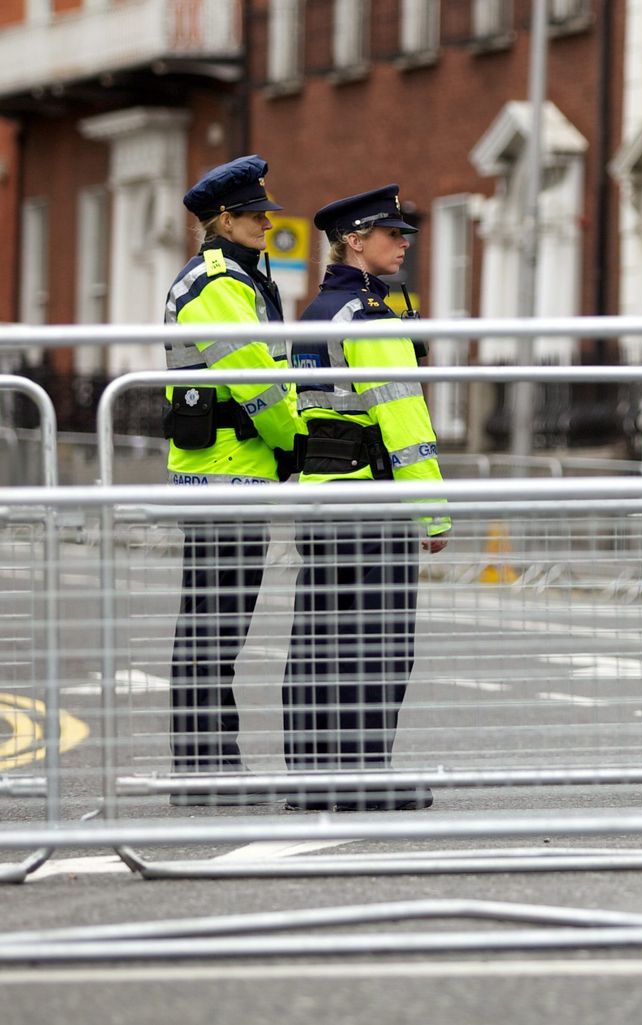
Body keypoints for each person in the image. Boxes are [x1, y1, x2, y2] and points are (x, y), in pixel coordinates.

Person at [283, 184, 450, 812]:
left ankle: (310, 776)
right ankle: (362, 775)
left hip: (322, 494)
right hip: (373, 502)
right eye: (392, 233)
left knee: (318, 637)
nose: (403, 243)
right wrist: (431, 510)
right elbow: (404, 421)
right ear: (355, 240)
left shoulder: (318, 313)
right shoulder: (371, 317)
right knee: (379, 641)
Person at [163, 154, 305, 805]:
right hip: (227, 476)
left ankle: (213, 765)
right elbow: (257, 378)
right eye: (252, 216)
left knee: (215, 629)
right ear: (223, 219)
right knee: (213, 630)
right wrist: (296, 439)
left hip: (231, 474)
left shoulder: (239, 278)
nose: (264, 224)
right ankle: (204, 772)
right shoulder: (218, 281)